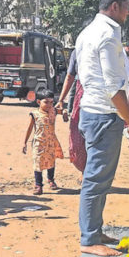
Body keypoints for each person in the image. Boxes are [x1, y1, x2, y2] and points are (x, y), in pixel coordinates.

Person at [75, 0, 129, 257]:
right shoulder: (107, 35)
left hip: (95, 112)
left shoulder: (88, 32)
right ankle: (89, 238)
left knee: (100, 178)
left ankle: (94, 231)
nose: (128, 10)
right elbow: (113, 88)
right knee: (96, 179)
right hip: (103, 115)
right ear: (114, 6)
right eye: (126, 5)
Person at [23, 89, 64, 195]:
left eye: (51, 102)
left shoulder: (53, 111)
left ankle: (51, 179)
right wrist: (25, 142)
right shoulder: (35, 114)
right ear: (38, 102)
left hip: (51, 142)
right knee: (38, 164)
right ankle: (38, 185)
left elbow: (62, 111)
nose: (49, 105)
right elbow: (29, 128)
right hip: (39, 143)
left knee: (51, 161)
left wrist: (64, 113)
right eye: (46, 102)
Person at [56, 50, 86, 180]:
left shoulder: (79, 49)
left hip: (89, 99)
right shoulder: (78, 51)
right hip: (87, 97)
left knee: (80, 137)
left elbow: (70, 77)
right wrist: (61, 100)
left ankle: (88, 173)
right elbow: (70, 77)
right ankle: (86, 172)